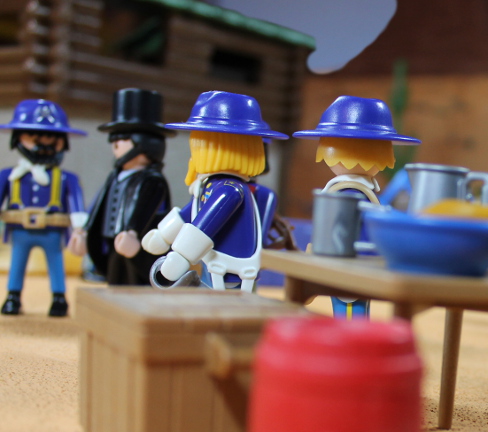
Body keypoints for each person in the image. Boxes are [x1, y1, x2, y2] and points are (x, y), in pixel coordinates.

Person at [141, 91, 288, 291]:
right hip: (214, 267)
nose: (194, 154)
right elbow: (191, 213)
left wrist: (181, 256)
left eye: (199, 146)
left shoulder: (230, 190)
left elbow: (204, 225)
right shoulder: (212, 185)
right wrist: (164, 235)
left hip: (229, 273)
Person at [293, 95, 420, 319]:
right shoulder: (355, 191)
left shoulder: (351, 194)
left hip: (351, 269)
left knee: (351, 318)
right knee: (349, 315)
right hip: (349, 268)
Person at [69, 89, 173, 285]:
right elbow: (99, 205)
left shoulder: (153, 180)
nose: (116, 145)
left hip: (139, 246)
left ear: (145, 144)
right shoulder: (115, 177)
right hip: (113, 242)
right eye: (114, 139)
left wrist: (133, 233)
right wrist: (85, 231)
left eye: (123, 138)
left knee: (136, 282)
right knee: (115, 278)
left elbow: (147, 210)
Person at [0, 99, 86, 316]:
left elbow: (76, 206)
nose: (44, 144)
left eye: (53, 139)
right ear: (18, 138)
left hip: (52, 230)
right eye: (34, 138)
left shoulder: (67, 178)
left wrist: (79, 229)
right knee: (17, 263)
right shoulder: (9, 176)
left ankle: (59, 297)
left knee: (56, 263)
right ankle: (13, 296)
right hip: (20, 230)